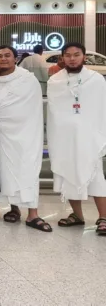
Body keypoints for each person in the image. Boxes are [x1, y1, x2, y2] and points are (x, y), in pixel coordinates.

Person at [0, 45, 51, 232]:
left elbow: (34, 108)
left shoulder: (27, 80)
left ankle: (33, 213)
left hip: (25, 134)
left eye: (7, 55)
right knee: (4, 172)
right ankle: (14, 209)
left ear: (15, 58)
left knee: (27, 170)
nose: (3, 59)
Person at [46, 43, 106, 235]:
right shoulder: (55, 81)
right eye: (68, 55)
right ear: (63, 57)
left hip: (89, 137)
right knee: (68, 173)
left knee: (96, 176)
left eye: (76, 55)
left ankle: (103, 217)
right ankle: (78, 215)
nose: (72, 59)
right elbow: (54, 112)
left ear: (84, 56)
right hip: (65, 137)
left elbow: (101, 108)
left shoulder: (96, 80)